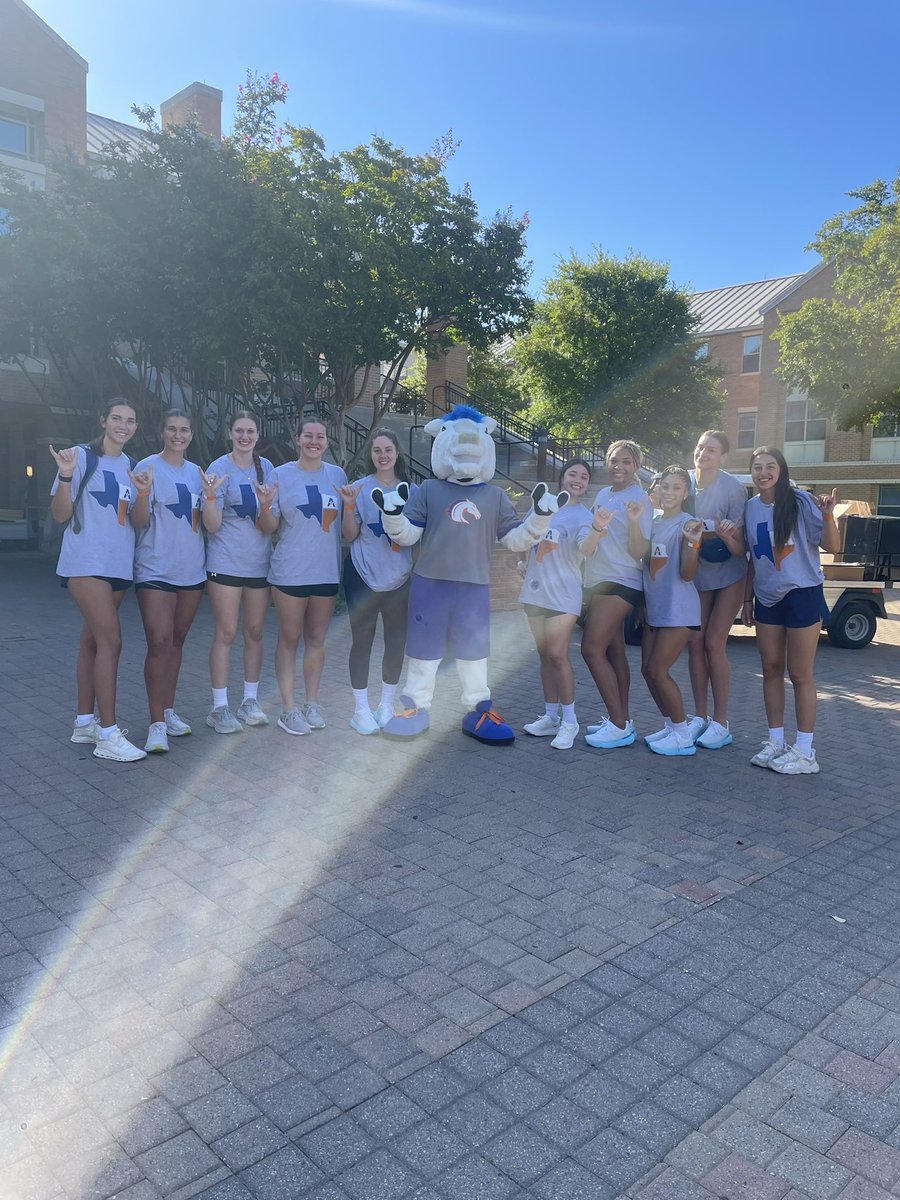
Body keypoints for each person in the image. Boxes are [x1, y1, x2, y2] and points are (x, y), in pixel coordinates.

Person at [48, 399, 149, 763]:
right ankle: (108, 734)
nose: (123, 425)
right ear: (103, 420)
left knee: (92, 642)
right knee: (112, 640)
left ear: (136, 427)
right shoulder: (78, 457)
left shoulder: (133, 466)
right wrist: (63, 476)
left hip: (118, 567)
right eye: (117, 418)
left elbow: (138, 521)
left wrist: (143, 492)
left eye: (130, 420)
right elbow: (60, 515)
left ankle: (83, 723)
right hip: (84, 564)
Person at [743, 446, 840, 775]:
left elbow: (832, 546)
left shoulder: (799, 501)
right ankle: (775, 741)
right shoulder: (750, 508)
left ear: (781, 470)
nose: (763, 472)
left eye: (770, 466)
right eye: (757, 467)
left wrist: (828, 514)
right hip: (767, 598)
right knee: (770, 669)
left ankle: (804, 752)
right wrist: (746, 600)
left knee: (800, 674)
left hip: (802, 594)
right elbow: (754, 560)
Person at [133, 409, 216, 754]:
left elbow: (209, 523)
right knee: (159, 640)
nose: (177, 435)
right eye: (171, 429)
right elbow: (137, 521)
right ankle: (155, 725)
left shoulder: (199, 474)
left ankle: (167, 711)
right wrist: (142, 494)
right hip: (154, 569)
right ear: (161, 431)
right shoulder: (147, 467)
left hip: (191, 571)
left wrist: (211, 496)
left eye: (184, 429)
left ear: (191, 434)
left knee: (177, 640)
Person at [268, 417, 347, 735]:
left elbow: (346, 522)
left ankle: (311, 702)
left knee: (316, 640)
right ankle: (287, 709)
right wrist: (263, 507)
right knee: (288, 640)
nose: (314, 441)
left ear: (327, 442)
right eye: (308, 436)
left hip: (326, 572)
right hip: (290, 572)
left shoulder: (337, 475)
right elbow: (271, 525)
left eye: (320, 436)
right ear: (298, 439)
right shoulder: (281, 474)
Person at [203, 411, 278, 733]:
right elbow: (211, 525)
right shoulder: (219, 469)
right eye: (239, 431)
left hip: (259, 564)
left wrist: (264, 506)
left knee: (255, 632)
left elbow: (270, 526)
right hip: (225, 562)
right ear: (230, 433)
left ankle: (250, 700)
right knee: (226, 632)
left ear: (257, 435)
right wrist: (209, 496)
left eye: (250, 431)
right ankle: (219, 707)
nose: (244, 436)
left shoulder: (268, 469)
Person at [338, 428, 416, 735]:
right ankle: (360, 709)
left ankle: (386, 705)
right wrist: (347, 506)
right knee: (362, 641)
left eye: (388, 449)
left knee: (396, 642)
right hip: (363, 575)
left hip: (399, 578)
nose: (382, 455)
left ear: (397, 453)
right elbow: (349, 534)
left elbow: (419, 537)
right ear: (371, 455)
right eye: (376, 450)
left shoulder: (412, 491)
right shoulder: (358, 488)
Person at [578, 440, 651, 749]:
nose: (618, 466)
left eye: (626, 461)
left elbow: (639, 551)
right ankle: (624, 720)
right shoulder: (604, 495)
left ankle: (618, 724)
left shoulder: (640, 498)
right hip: (598, 581)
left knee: (590, 650)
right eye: (613, 461)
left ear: (635, 466)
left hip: (622, 580)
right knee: (613, 651)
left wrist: (634, 522)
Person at [520, 458, 592, 750]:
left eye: (584, 477)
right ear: (562, 478)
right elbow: (527, 536)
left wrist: (597, 531)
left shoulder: (585, 516)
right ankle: (550, 717)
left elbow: (587, 547)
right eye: (572, 474)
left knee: (558, 655)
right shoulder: (544, 504)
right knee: (543, 655)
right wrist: (522, 562)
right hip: (535, 592)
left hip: (564, 595)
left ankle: (570, 721)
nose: (577, 479)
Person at [631, 465, 704, 756]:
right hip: (655, 609)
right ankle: (672, 727)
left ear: (686, 493)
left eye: (677, 487)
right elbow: (641, 558)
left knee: (659, 671)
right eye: (665, 486)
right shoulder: (654, 521)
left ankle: (683, 735)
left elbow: (687, 574)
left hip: (680, 609)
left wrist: (693, 544)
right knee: (647, 671)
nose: (670, 492)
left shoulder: (690, 523)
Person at [686, 430, 748, 749]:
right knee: (694, 641)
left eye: (711, 450)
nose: (703, 453)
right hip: (697, 574)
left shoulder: (733, 488)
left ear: (722, 456)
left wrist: (721, 535)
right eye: (700, 448)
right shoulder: (682, 482)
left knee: (713, 642)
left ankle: (721, 722)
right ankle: (699, 716)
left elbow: (738, 547)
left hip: (729, 574)